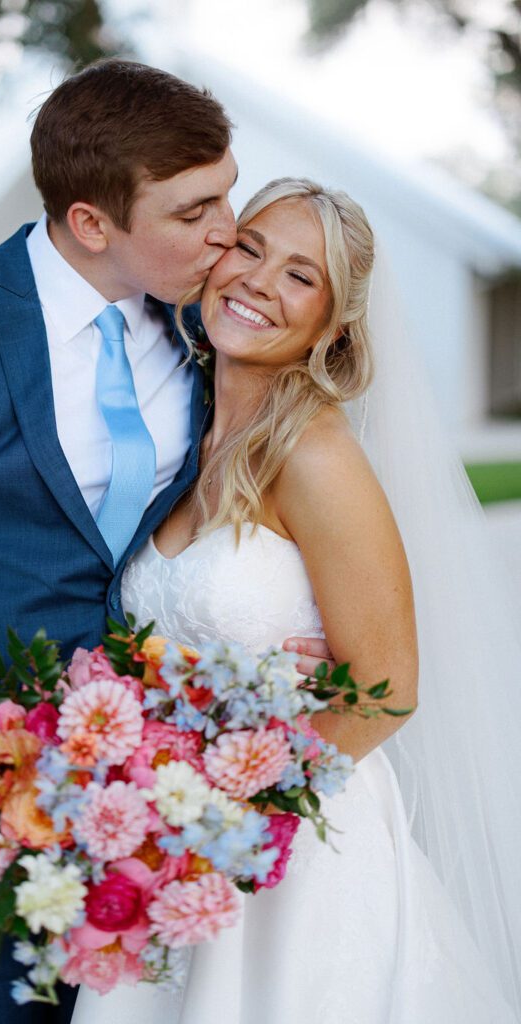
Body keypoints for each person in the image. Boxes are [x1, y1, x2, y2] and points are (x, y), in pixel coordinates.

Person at [0, 63, 334, 1024]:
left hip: (160, 802)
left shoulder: (209, 328)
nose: (228, 233)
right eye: (194, 209)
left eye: (228, 193)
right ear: (93, 223)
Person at [71, 178, 521, 1023]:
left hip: (289, 857)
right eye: (250, 248)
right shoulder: (186, 435)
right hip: (173, 843)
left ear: (333, 324)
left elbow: (386, 688)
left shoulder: (316, 456)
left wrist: (223, 819)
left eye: (300, 276)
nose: (258, 282)